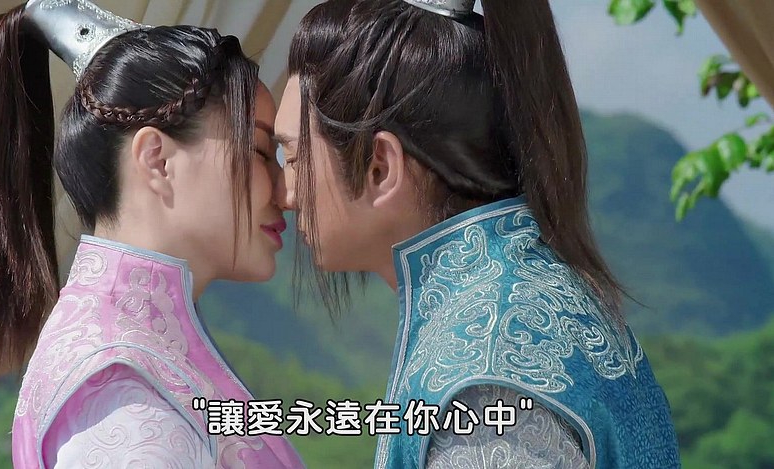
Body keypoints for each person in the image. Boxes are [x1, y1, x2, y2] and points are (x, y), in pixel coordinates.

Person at [274, 0, 681, 467]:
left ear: (380, 166)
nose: (286, 194)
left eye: (295, 159)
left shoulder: (483, 378)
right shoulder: (530, 303)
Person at [0, 1, 303, 467]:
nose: (286, 192)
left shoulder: (135, 355)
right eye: (262, 151)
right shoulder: (118, 388)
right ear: (157, 160)